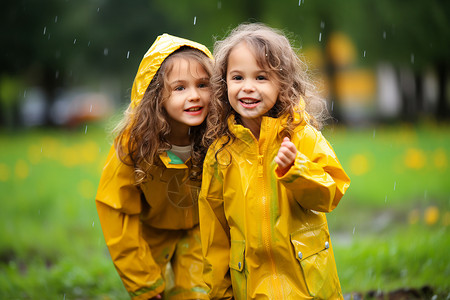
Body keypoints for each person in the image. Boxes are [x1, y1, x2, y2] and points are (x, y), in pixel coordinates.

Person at [198, 23, 351, 299]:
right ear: (224, 83)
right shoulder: (220, 154)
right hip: (251, 288)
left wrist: (296, 170)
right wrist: (220, 293)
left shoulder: (303, 136)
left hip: (308, 285)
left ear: (283, 83)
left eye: (261, 78)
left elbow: (330, 194)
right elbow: (215, 234)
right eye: (237, 77)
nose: (247, 88)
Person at [95, 33, 213, 300]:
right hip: (151, 233)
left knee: (198, 294)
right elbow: (116, 209)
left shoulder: (218, 135)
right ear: (155, 95)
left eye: (203, 84)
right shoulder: (133, 145)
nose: (194, 96)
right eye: (180, 88)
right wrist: (142, 281)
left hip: (201, 232)